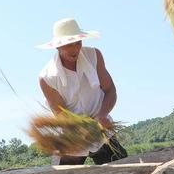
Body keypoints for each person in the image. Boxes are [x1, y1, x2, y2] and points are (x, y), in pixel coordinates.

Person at [37, 18, 128, 165]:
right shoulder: (47, 77)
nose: (75, 49)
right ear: (57, 47)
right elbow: (61, 115)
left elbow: (110, 90)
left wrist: (102, 115)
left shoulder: (94, 56)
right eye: (68, 44)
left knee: (122, 167)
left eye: (78, 42)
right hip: (72, 134)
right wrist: (82, 128)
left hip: (101, 130)